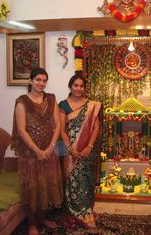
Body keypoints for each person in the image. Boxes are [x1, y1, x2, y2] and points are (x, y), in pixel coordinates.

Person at [12, 68, 63, 235]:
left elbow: (57, 125)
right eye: (38, 80)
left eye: (44, 80)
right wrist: (37, 150)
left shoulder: (51, 99)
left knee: (45, 184)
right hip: (30, 153)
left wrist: (50, 148)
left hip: (49, 150)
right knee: (33, 187)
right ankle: (32, 224)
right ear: (30, 81)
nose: (41, 83)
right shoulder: (22, 102)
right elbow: (21, 130)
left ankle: (42, 218)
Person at [59, 73, 101, 228]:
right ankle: (74, 212)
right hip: (70, 150)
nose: (78, 88)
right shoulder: (63, 105)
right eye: (75, 85)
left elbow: (96, 127)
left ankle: (86, 210)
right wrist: (70, 148)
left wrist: (89, 146)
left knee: (86, 180)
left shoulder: (91, 105)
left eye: (81, 86)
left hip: (87, 151)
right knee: (71, 180)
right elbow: (62, 130)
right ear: (70, 86)